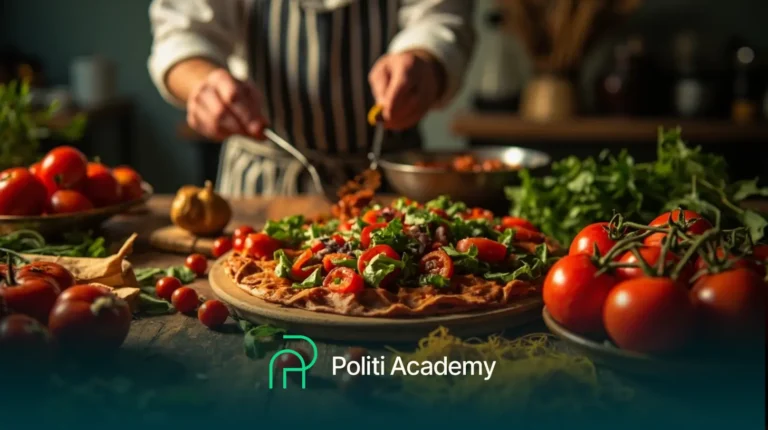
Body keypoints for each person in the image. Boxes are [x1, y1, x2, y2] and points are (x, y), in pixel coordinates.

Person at [148, 0, 475, 197]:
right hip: (262, 186)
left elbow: (442, 18)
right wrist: (203, 82)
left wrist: (424, 61)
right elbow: (181, 34)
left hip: (391, 184)